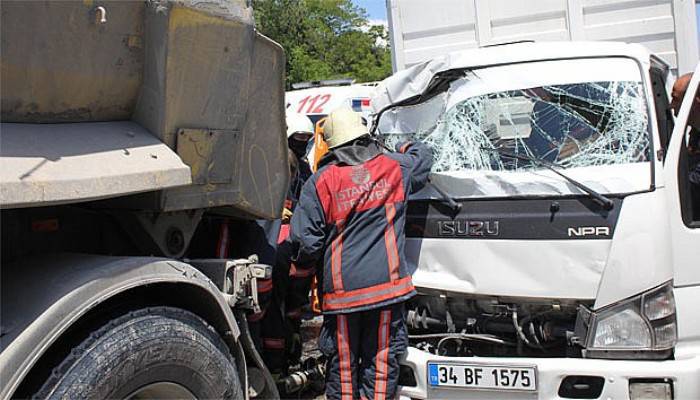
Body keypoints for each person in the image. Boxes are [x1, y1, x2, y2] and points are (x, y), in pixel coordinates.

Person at [290, 107, 433, 400]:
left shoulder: (322, 182)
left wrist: (300, 284)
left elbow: (306, 243)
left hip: (342, 296)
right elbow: (424, 158)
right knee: (381, 363)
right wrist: (405, 144)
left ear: (331, 144)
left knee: (342, 366)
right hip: (387, 290)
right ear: (364, 135)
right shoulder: (395, 167)